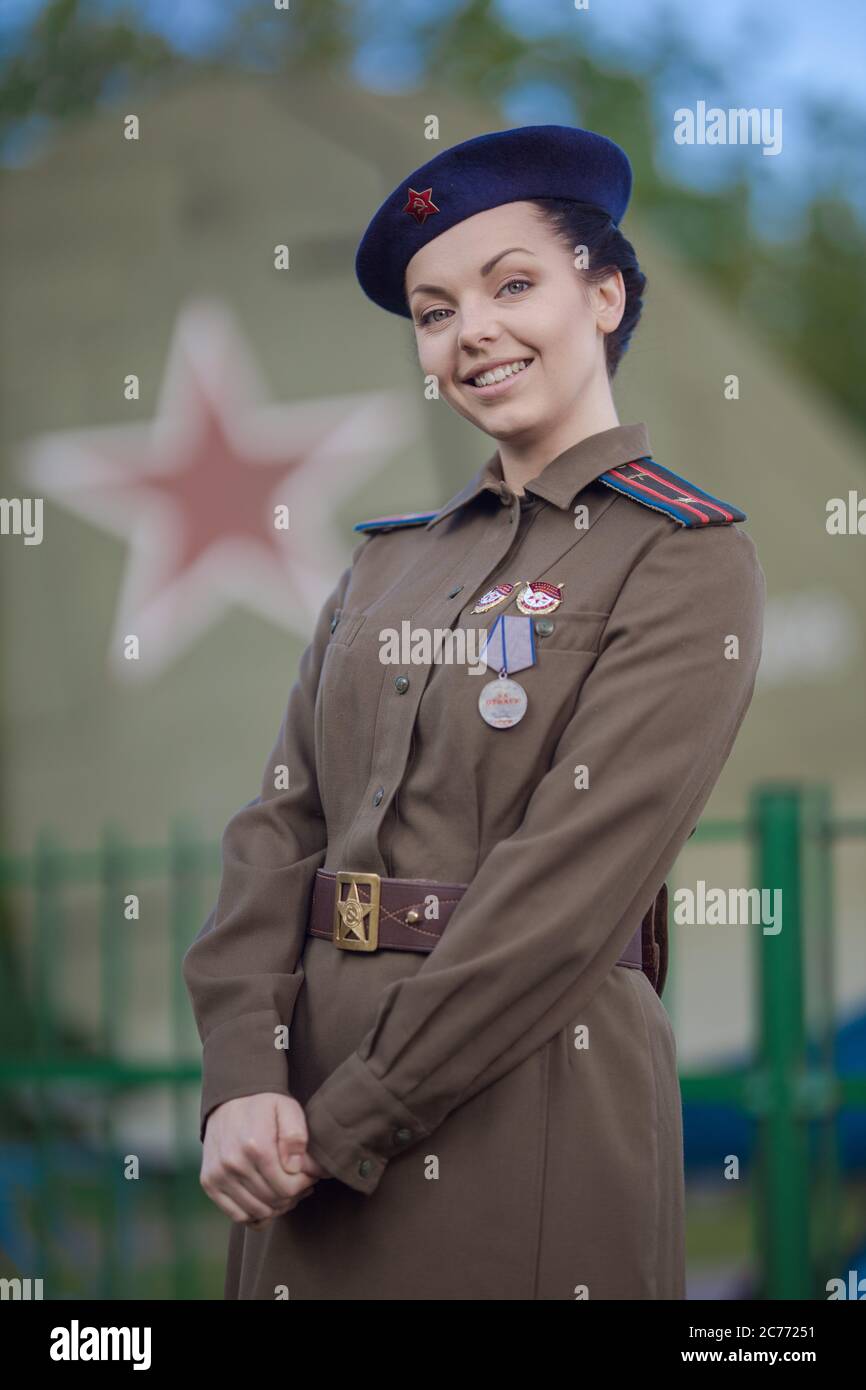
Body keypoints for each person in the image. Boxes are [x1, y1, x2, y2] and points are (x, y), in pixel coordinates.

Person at [182, 124, 765, 1300]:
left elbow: (564, 891)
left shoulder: (680, 555)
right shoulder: (383, 567)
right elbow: (277, 826)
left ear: (602, 295)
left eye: (512, 285)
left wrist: (355, 1116)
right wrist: (246, 1076)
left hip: (526, 1087)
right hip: (295, 1100)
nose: (472, 332)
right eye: (435, 311)